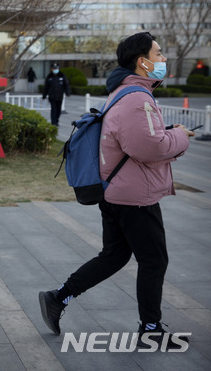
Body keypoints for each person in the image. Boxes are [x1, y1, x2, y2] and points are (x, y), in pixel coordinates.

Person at [38, 32, 195, 349]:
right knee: (154, 260)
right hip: (134, 196)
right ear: (143, 61)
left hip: (117, 192)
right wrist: (180, 137)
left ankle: (59, 297)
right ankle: (150, 329)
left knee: (114, 256)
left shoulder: (124, 92)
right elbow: (148, 147)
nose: (163, 59)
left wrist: (168, 133)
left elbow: (136, 137)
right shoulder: (136, 97)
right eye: (159, 54)